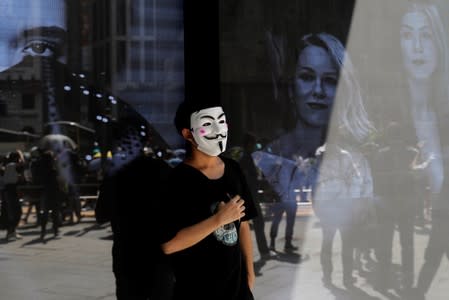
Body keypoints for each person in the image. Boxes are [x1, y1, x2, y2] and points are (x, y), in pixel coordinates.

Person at [160, 101, 257, 300]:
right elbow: (168, 245)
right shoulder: (176, 181)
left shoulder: (233, 169)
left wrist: (249, 273)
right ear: (188, 134)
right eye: (207, 124)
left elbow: (243, 224)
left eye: (221, 122)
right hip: (196, 290)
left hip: (237, 290)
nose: (219, 130)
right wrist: (218, 220)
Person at [95, 152, 174, 300]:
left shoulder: (114, 173)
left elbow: (101, 215)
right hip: (160, 256)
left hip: (126, 256)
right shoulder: (162, 168)